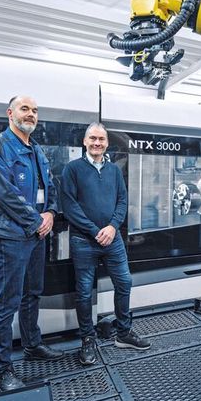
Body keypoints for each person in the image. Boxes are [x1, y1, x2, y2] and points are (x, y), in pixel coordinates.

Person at [0, 95, 63, 392]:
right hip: (12, 236)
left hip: (37, 234)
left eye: (35, 110)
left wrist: (51, 213)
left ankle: (32, 344)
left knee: (33, 294)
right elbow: (3, 191)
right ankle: (1, 369)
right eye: (25, 109)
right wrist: (36, 221)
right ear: (10, 113)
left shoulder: (37, 150)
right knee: (8, 302)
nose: (31, 114)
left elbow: (50, 186)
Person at [61, 122, 151, 365]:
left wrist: (112, 227)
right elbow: (69, 206)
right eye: (93, 138)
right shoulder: (72, 169)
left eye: (101, 139)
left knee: (124, 281)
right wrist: (94, 231)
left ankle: (123, 333)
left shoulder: (113, 171)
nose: (97, 143)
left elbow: (122, 201)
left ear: (107, 143)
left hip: (112, 240)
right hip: (83, 241)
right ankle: (87, 340)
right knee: (83, 292)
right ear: (85, 141)